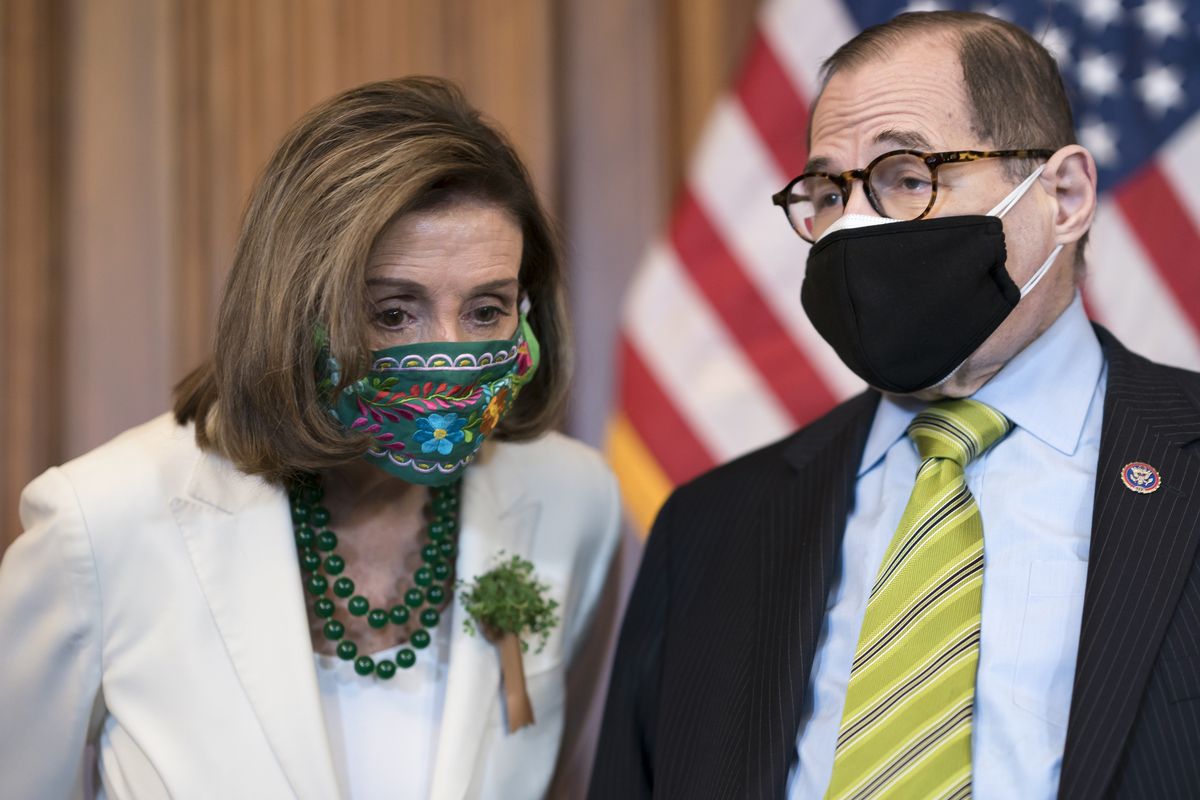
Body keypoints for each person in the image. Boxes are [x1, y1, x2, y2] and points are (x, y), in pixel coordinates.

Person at [591, 11, 1200, 800]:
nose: (853, 226)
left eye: (906, 176)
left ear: (1065, 194)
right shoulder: (708, 529)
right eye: (825, 192)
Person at [0, 77, 620, 800]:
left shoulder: (575, 501)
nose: (449, 355)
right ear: (297, 304)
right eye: (393, 313)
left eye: (485, 310)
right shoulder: (98, 522)